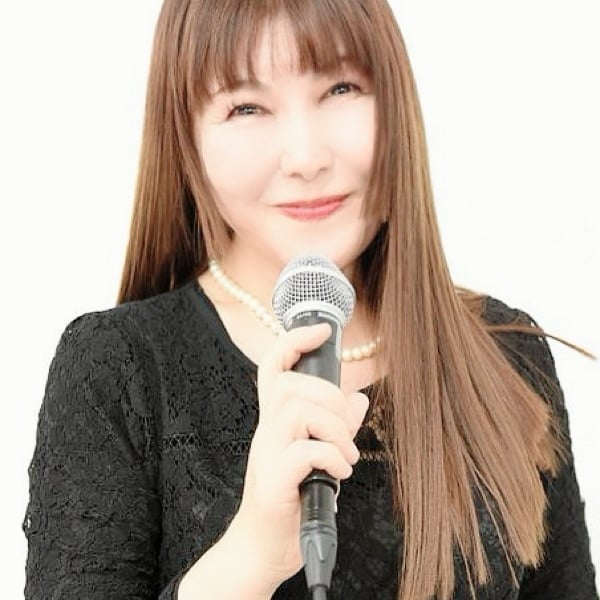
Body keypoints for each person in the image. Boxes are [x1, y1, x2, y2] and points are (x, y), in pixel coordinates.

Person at [23, 1, 598, 599]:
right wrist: (250, 556)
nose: (306, 158)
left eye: (340, 88)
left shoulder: (504, 357)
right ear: (186, 136)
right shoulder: (118, 368)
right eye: (246, 107)